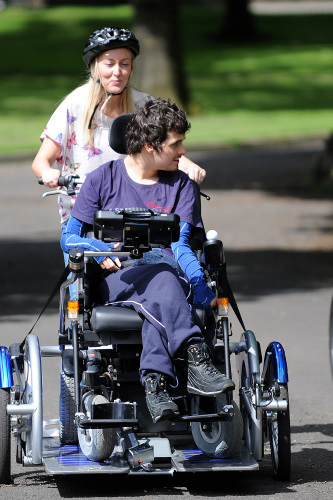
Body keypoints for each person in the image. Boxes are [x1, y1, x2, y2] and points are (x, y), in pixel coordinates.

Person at [60, 98, 233, 424]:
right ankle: (195, 357)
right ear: (151, 146)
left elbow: (180, 246)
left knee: (162, 284)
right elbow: (69, 239)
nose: (183, 151)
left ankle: (154, 384)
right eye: (176, 144)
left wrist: (199, 286)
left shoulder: (181, 186)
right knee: (163, 284)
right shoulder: (102, 180)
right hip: (117, 278)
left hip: (165, 275)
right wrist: (102, 248)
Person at [32, 26, 207, 228]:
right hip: (83, 215)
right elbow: (41, 160)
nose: (117, 72)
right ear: (95, 66)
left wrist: (187, 165)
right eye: (109, 64)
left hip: (132, 213)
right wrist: (48, 173)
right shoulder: (74, 106)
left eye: (125, 64)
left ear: (132, 68)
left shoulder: (143, 106)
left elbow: (164, 144)